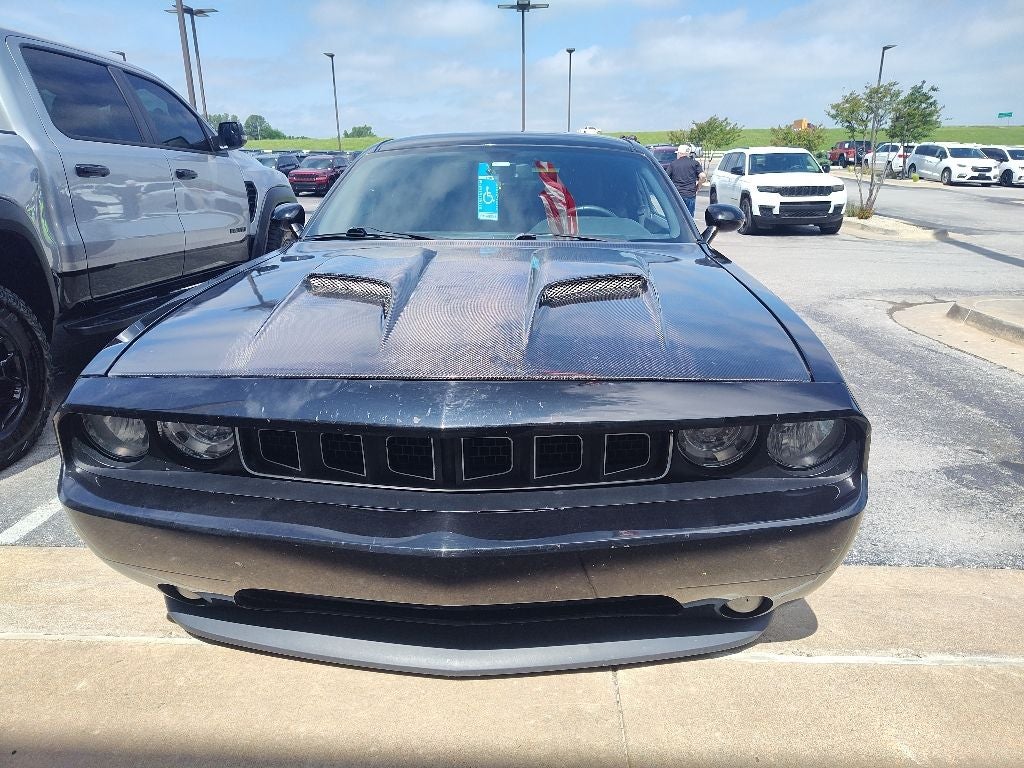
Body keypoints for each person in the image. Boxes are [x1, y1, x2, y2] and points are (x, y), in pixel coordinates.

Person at [666, 143, 706, 218]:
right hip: (690, 194)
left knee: (677, 217)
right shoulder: (694, 163)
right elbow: (703, 176)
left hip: (677, 195)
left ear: (679, 153)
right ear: (688, 154)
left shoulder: (673, 164)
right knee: (689, 218)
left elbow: (666, 178)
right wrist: (698, 186)